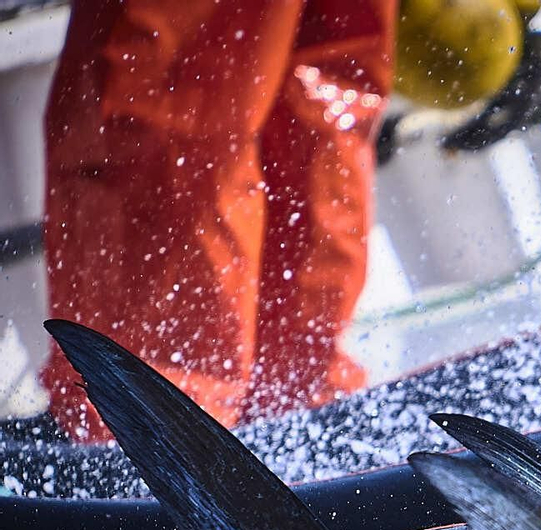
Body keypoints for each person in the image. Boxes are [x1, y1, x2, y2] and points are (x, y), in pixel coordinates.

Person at [41, 2, 396, 442]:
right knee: (320, 79)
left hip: (168, 436)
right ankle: (299, 402)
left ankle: (154, 420)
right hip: (296, 396)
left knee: (167, 90)